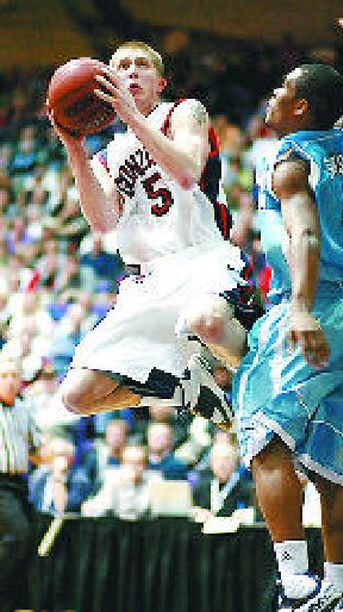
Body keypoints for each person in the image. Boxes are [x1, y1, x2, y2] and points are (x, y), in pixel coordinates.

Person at [232, 2, 343, 612]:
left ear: (297, 110)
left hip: (314, 308)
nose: (272, 97)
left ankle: (295, 586)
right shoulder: (340, 138)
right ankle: (341, 593)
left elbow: (302, 233)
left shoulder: (290, 160)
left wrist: (295, 308)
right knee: (327, 468)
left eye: (282, 92)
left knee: (263, 436)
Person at [47, 39, 261, 431]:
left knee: (207, 322)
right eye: (121, 65)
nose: (131, 71)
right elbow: (103, 223)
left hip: (202, 258)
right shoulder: (108, 156)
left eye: (141, 65)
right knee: (76, 397)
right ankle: (183, 390)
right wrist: (74, 148)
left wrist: (131, 117)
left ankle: (267, 381)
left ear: (160, 83)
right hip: (148, 281)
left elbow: (186, 172)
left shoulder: (183, 112)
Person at [0, 355, 42, 612]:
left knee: (25, 540)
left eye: (15, 376)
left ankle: (5, 604)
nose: (11, 381)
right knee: (17, 534)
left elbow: (36, 450)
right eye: (4, 376)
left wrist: (60, 459)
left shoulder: (24, 412)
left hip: (18, 484)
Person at [81, 443, 151, 518]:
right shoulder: (112, 481)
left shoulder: (152, 482)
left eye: (139, 463)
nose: (133, 467)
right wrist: (128, 484)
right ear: (122, 465)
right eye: (129, 463)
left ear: (145, 466)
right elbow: (91, 510)